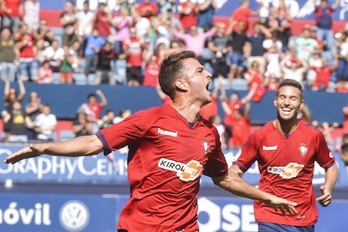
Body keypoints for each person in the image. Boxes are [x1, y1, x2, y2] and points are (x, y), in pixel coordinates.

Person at [4, 51, 297, 231]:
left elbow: (225, 179)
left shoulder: (210, 132)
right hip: (140, 228)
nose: (208, 73)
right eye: (199, 71)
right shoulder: (149, 119)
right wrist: (45, 148)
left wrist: (267, 196)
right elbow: (94, 143)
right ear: (181, 84)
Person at [231, 78, 338, 232]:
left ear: (301, 104)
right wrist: (250, 189)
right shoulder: (259, 136)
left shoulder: (313, 136)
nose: (287, 103)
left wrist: (328, 187)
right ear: (275, 101)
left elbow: (331, 166)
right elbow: (234, 172)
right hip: (269, 216)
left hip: (303, 218)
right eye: (283, 97)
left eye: (292, 98)